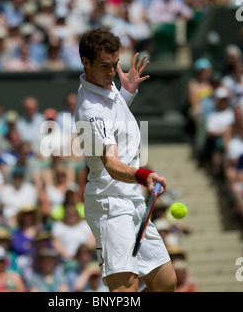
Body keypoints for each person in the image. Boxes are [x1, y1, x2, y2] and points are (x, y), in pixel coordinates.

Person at [75, 28, 176, 292]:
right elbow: (112, 165)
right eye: (104, 66)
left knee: (165, 282)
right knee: (124, 291)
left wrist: (126, 93)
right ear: (86, 62)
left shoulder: (106, 92)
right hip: (109, 205)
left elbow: (115, 120)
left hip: (130, 201)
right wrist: (145, 175)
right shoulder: (91, 110)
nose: (111, 72)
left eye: (115, 64)